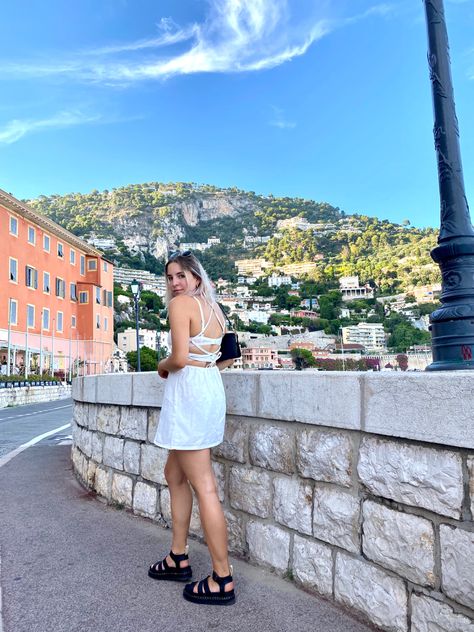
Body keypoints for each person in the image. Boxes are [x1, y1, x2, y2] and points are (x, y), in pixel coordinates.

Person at [148, 250, 236, 606]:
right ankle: (177, 556)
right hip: (209, 387)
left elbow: (180, 358)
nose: (175, 283)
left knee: (205, 486)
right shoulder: (217, 310)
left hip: (188, 392)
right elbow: (228, 357)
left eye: (181, 276)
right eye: (169, 278)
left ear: (196, 277)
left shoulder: (181, 305)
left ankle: (222, 577)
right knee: (174, 473)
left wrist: (161, 365)